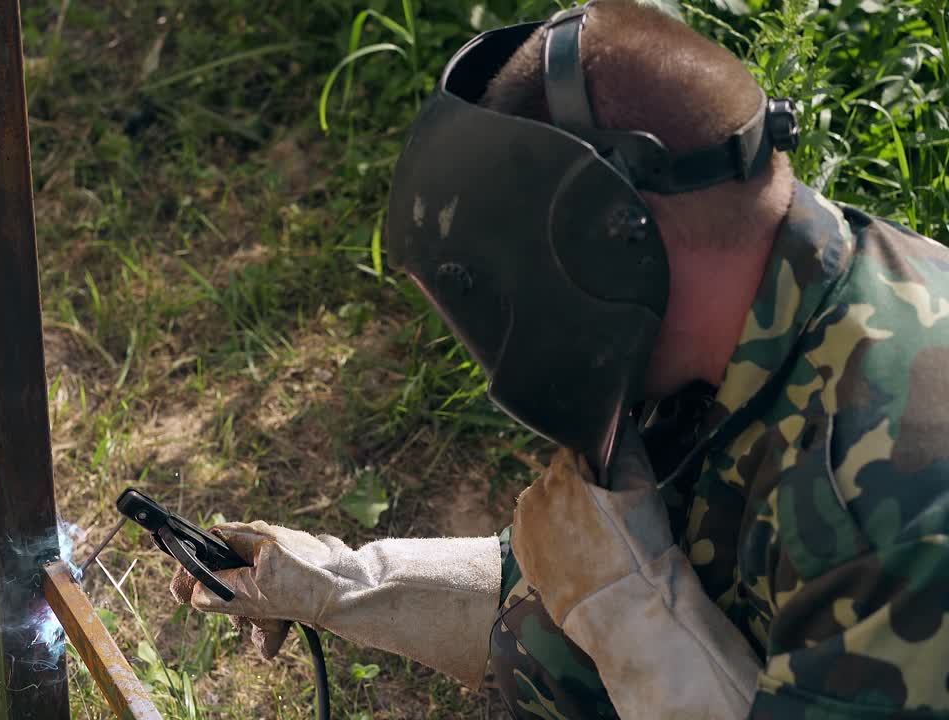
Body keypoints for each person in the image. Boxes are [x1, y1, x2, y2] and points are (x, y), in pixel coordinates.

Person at [170, 1, 949, 718]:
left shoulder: (890, 506)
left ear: (601, 238)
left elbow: (614, 587)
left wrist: (632, 610)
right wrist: (339, 584)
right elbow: (571, 579)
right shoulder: (749, 325)